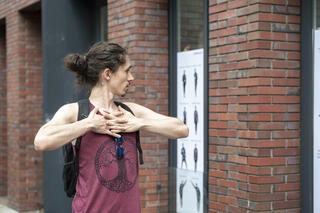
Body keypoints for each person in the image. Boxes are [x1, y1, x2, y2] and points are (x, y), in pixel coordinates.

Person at [34, 42, 189, 213]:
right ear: (108, 74)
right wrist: (89, 124)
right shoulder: (76, 112)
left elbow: (181, 129)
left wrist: (141, 124)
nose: (131, 78)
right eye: (127, 70)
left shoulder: (131, 112)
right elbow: (41, 141)